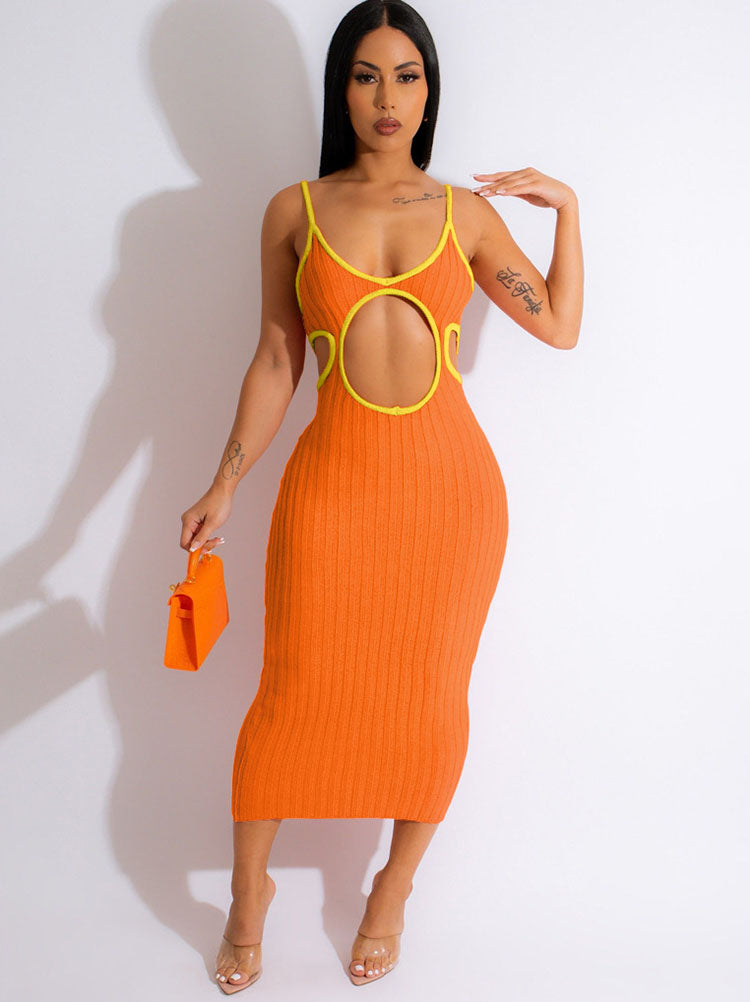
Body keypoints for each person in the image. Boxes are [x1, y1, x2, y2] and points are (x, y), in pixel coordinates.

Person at [178, 0, 583, 992]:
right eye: (367, 76)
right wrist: (224, 481)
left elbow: (560, 326)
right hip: (333, 488)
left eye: (407, 76)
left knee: (432, 700)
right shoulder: (294, 210)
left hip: (452, 498)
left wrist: (569, 209)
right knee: (287, 696)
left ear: (429, 91)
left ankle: (391, 891)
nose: (387, 97)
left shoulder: (465, 215)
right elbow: (277, 358)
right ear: (341, 90)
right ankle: (247, 895)